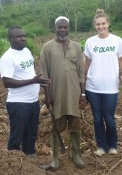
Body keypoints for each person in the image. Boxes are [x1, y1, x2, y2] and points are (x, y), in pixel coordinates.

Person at [39, 16, 86, 170]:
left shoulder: (77, 47)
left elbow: (81, 73)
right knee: (56, 126)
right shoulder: (47, 47)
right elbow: (43, 73)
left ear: (69, 28)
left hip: (74, 94)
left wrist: (83, 94)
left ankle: (76, 155)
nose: (62, 30)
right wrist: (47, 94)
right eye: (60, 27)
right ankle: (55, 159)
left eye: (65, 27)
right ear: (55, 28)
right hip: (56, 94)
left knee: (75, 125)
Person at [84, 9, 122, 157]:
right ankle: (101, 146)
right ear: (94, 26)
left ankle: (112, 145)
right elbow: (87, 62)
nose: (101, 26)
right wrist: (83, 81)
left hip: (111, 87)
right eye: (98, 24)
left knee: (109, 118)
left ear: (108, 23)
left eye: (103, 23)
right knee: (97, 118)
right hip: (93, 87)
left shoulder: (117, 40)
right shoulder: (90, 42)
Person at [0, 25, 50, 158]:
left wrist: (37, 81)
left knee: (31, 133)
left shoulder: (26, 51)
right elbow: (7, 82)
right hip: (18, 104)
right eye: (18, 36)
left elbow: (30, 70)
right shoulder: (7, 58)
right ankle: (13, 164)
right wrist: (32, 81)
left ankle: (30, 162)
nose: (23, 39)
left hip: (33, 102)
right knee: (17, 136)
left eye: (23, 36)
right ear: (10, 39)